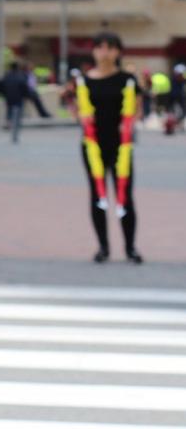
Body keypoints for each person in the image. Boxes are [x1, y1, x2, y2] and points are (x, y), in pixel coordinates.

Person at [76, 32, 142, 264]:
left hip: (121, 146)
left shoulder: (128, 80)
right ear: (93, 51)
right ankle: (103, 246)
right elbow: (77, 109)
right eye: (100, 47)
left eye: (111, 47)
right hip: (93, 145)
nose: (105, 52)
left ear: (118, 51)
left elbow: (136, 109)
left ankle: (130, 247)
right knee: (98, 196)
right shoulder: (83, 81)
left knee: (125, 196)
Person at [1, 62, 29, 144]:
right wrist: (26, 96)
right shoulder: (21, 76)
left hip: (9, 99)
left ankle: (8, 123)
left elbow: (2, 86)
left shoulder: (7, 76)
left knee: (9, 114)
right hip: (18, 100)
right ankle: (15, 135)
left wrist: (5, 94)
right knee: (17, 119)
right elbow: (25, 88)